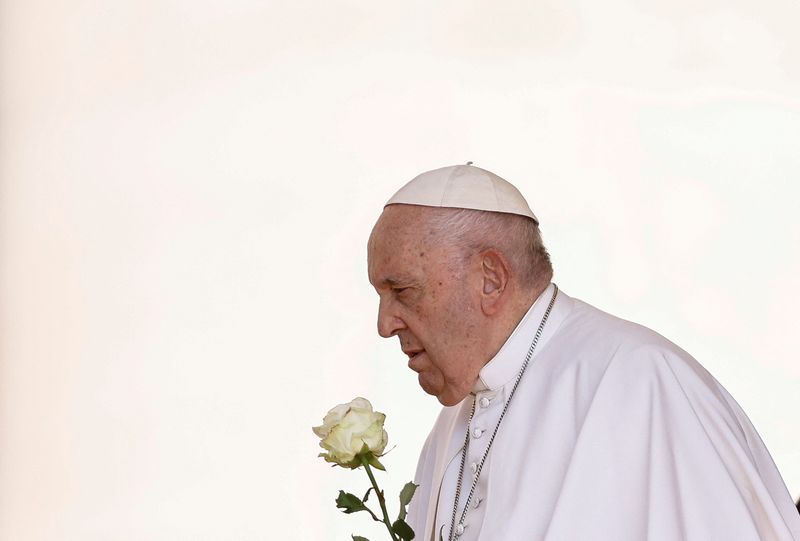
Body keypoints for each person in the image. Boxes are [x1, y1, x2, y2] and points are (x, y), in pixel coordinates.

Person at [366, 164, 800, 541]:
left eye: (402, 291)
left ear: (492, 279)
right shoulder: (453, 425)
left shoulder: (642, 382)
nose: (386, 324)